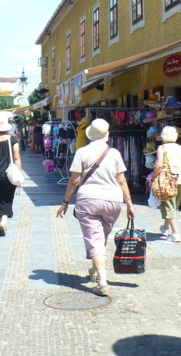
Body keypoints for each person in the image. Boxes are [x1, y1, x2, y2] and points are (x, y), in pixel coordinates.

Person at [57, 118, 135, 297]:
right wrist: (129, 203)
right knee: (100, 238)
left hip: (88, 200)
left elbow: (75, 180)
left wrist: (66, 201)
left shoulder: (82, 152)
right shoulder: (114, 153)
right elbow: (121, 180)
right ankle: (94, 270)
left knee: (94, 239)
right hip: (113, 201)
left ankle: (102, 281)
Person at [150, 125, 181, 242]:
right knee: (173, 206)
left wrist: (153, 177)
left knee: (169, 205)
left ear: (163, 136)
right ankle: (165, 227)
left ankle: (175, 234)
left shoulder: (162, 148)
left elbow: (159, 165)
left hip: (168, 179)